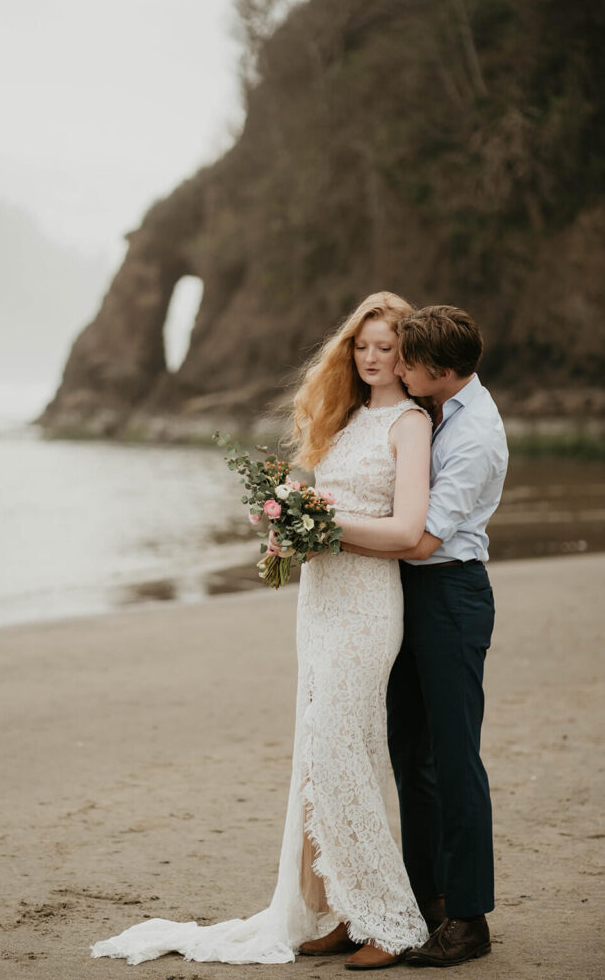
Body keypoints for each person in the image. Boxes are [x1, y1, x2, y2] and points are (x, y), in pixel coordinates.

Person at [90, 292, 432, 969]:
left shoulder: (410, 423)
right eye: (360, 346)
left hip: (367, 605)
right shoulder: (343, 419)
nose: (369, 358)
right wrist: (290, 533)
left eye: (383, 347)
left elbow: (404, 531)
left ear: (404, 354)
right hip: (320, 599)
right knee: (317, 753)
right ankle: (335, 909)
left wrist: (323, 524)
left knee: (342, 750)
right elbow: (320, 505)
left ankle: (390, 922)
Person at [342, 305, 509, 966]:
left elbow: (421, 539)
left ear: (440, 370)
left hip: (450, 593)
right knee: (412, 751)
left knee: (454, 754)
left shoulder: (476, 436)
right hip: (407, 591)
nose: (395, 366)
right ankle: (425, 899)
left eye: (405, 359)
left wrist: (325, 527)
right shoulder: (435, 411)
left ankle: (469, 919)